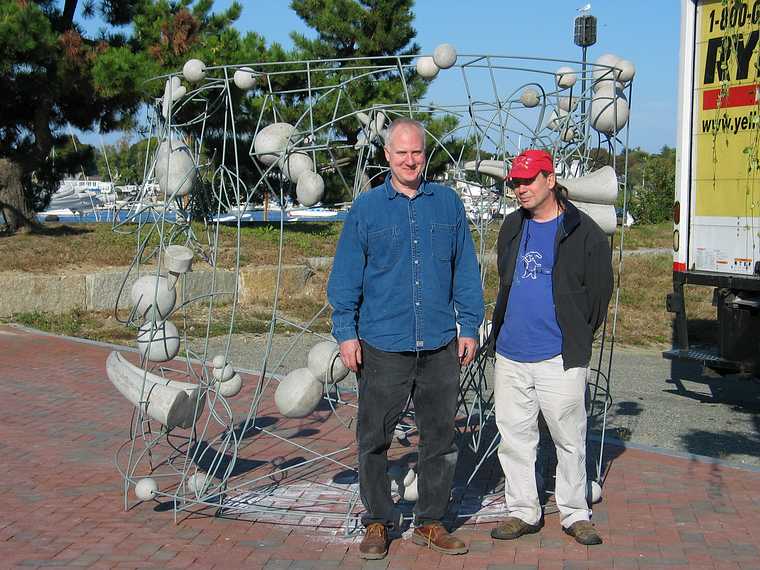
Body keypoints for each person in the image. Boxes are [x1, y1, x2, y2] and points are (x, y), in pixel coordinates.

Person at [327, 117, 484, 559]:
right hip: (382, 344)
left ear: (425, 156)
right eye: (402, 153)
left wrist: (468, 325)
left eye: (417, 152)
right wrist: (346, 332)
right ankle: (378, 520)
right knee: (373, 438)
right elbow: (346, 277)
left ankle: (431, 522)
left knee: (439, 439)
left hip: (438, 345)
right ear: (387, 157)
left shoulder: (448, 204)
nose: (410, 160)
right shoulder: (367, 209)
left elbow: (465, 270)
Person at [486, 149, 613, 546]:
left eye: (528, 180)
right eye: (515, 183)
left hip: (559, 355)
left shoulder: (584, 231)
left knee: (569, 438)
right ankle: (523, 510)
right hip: (511, 352)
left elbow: (598, 296)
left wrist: (572, 334)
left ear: (550, 178)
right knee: (515, 437)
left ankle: (575, 513)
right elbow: (503, 274)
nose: (520, 189)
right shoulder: (511, 226)